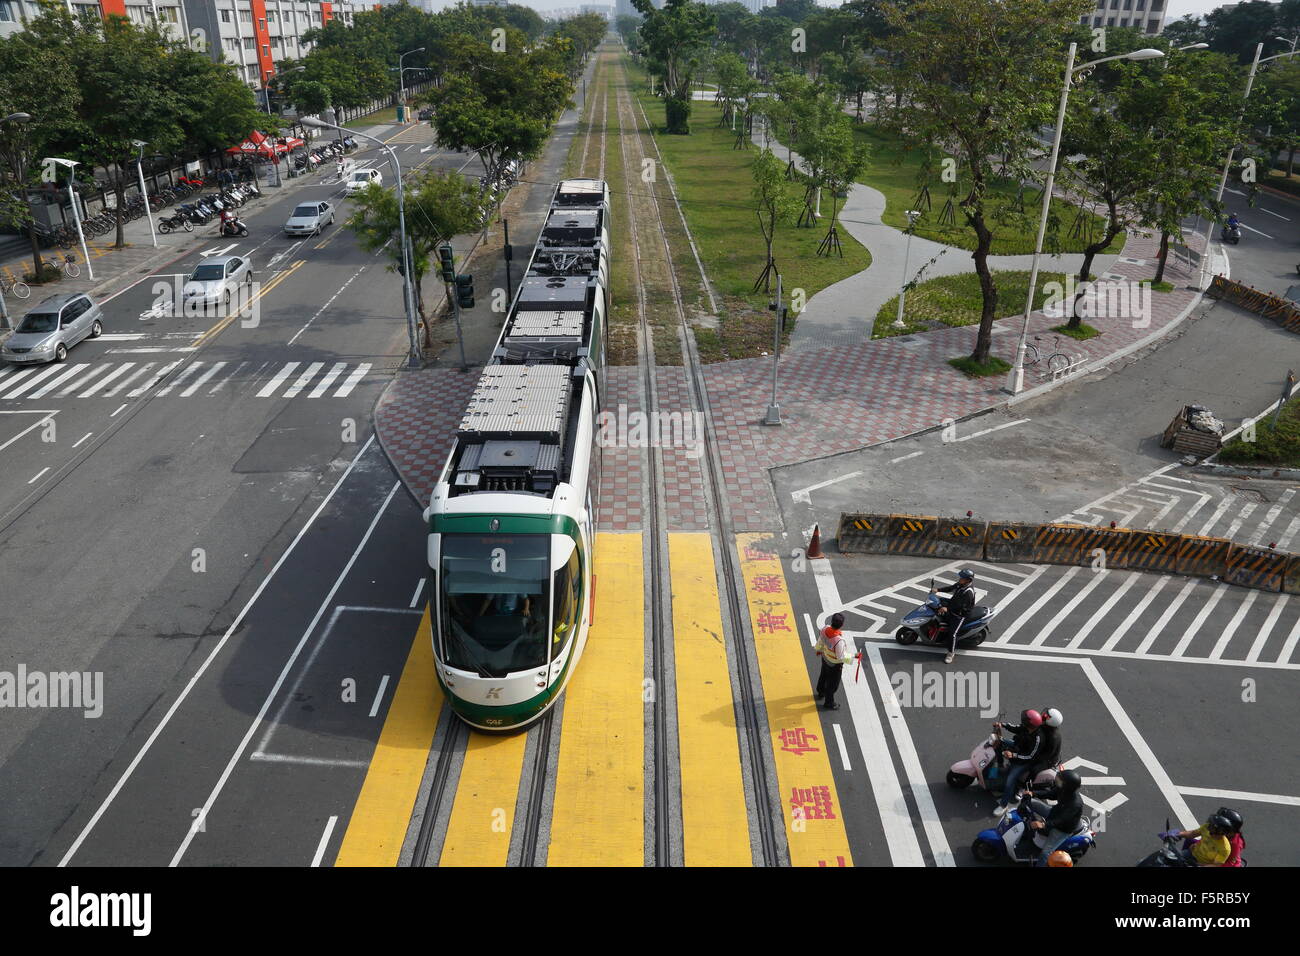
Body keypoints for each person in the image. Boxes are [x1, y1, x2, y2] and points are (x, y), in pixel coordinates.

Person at [1027, 769, 1084, 866]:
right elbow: (1050, 794)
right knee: (1032, 803)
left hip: (1062, 829)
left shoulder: (1075, 804)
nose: (1057, 781)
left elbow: (1061, 820)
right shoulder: (1063, 790)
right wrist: (1033, 793)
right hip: (1054, 813)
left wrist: (1043, 824)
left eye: (1060, 780)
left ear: (1067, 785)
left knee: (1045, 853)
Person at [992, 709, 1043, 816]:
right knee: (998, 742)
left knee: (1010, 780)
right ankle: (1000, 766)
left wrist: (1013, 755)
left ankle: (1003, 805)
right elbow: (1015, 728)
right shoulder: (1026, 727)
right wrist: (1002, 725)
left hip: (1024, 762)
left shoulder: (1037, 738)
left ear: (1029, 724)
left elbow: (1030, 756)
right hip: (1017, 748)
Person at [933, 568, 976, 664]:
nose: (960, 579)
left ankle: (951, 653)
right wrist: (938, 590)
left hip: (959, 615)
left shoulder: (968, 592)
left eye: (962, 578)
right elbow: (951, 588)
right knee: (938, 602)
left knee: (952, 634)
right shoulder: (961, 584)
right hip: (953, 605)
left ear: (968, 580)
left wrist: (947, 609)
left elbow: (961, 606)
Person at [814, 612, 851, 711]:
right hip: (834, 665)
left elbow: (820, 640)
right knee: (832, 685)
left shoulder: (825, 628)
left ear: (831, 621)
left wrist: (818, 650)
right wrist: (853, 656)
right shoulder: (839, 641)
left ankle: (820, 691)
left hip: (825, 658)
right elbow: (840, 656)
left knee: (823, 675)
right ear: (841, 625)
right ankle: (829, 702)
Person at [1166, 814, 1232, 866]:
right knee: (1168, 858)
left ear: (1220, 832)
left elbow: (1215, 865)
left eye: (1212, 827)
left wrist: (1197, 865)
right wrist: (1176, 834)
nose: (1209, 828)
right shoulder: (1206, 828)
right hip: (1191, 853)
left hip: (1201, 864)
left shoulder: (1225, 849)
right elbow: (1192, 834)